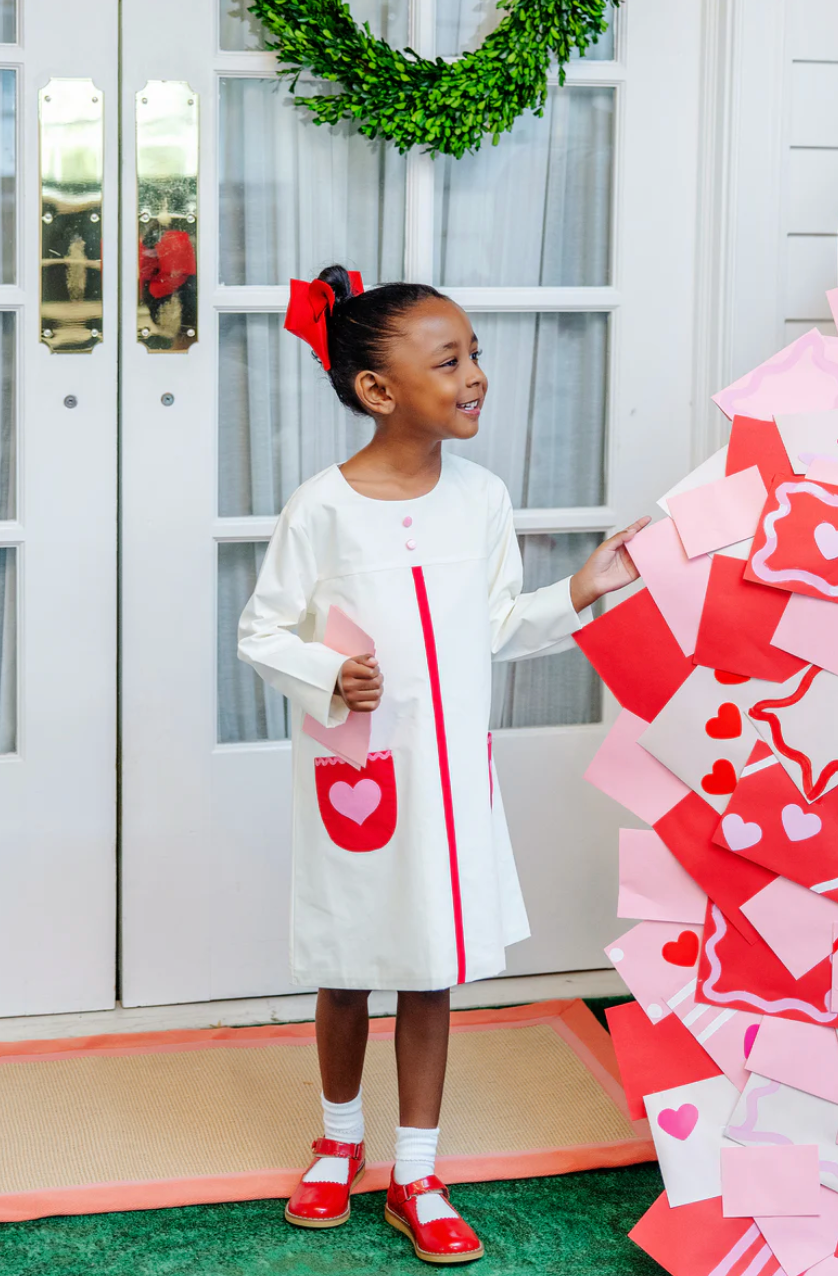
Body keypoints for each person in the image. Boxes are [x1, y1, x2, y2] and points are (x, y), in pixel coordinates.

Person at [237, 266, 649, 1264]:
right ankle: (338, 1141)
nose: (475, 376)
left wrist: (584, 586)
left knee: (431, 966)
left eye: (475, 356)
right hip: (358, 771)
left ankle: (415, 1170)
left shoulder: (482, 498)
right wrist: (330, 672)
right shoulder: (322, 508)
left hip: (450, 777)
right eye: (450, 361)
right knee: (347, 960)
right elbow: (261, 631)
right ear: (378, 389)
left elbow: (499, 625)